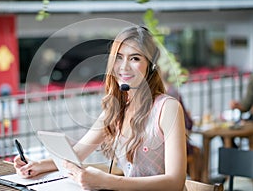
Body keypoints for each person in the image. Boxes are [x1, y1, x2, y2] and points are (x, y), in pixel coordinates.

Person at [14, 26, 187, 190]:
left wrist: (109, 181)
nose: (124, 66)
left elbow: (175, 182)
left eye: (135, 58)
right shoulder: (115, 109)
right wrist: (38, 165)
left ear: (151, 66)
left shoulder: (168, 108)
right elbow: (78, 153)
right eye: (119, 57)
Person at [162, 73, 202, 181]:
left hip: (154, 150)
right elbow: (188, 124)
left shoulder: (148, 96)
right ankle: (199, 182)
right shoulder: (173, 95)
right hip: (171, 149)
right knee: (196, 151)